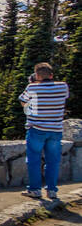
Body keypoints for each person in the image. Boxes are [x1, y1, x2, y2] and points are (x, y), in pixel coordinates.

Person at [19, 62, 70, 201]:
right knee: (53, 160)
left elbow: (23, 102)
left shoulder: (32, 87)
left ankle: (35, 189)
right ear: (51, 75)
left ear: (37, 75)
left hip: (36, 129)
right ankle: (52, 190)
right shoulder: (63, 86)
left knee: (34, 160)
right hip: (55, 130)